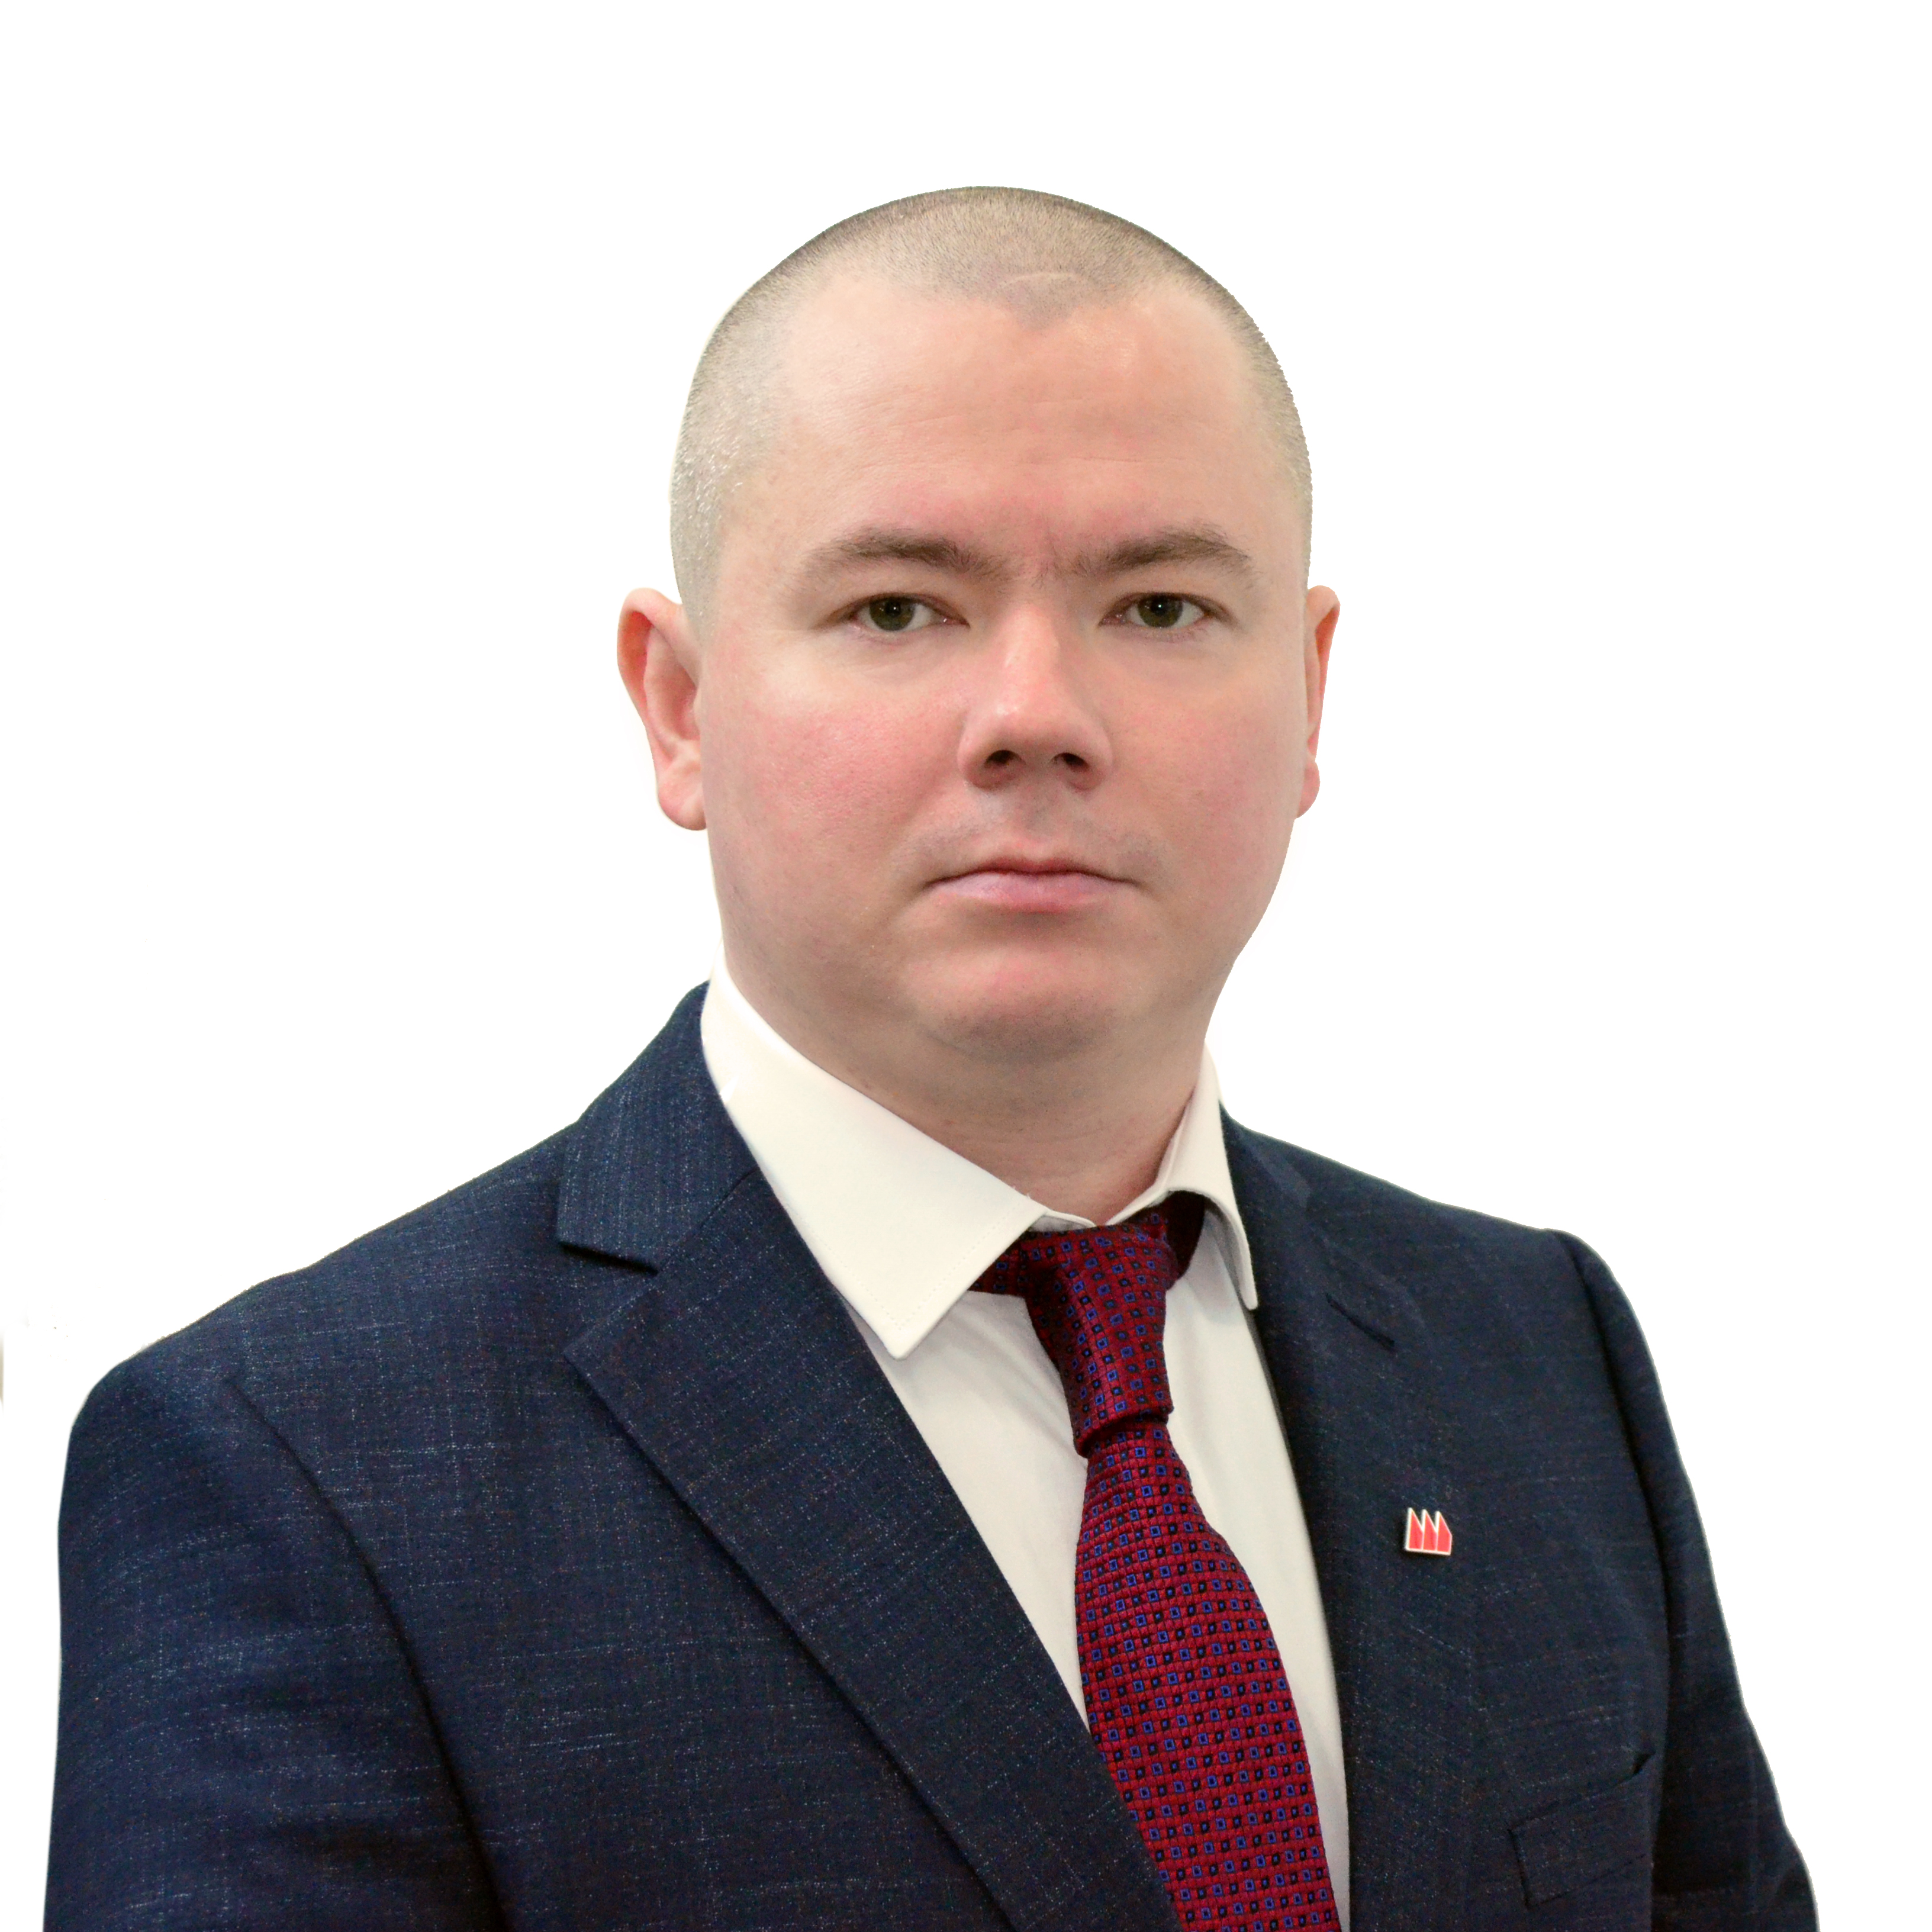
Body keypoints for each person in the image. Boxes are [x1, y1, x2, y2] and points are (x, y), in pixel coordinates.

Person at [46, 187, 1813, 1931]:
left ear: (1310, 692)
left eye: (1161, 608)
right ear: (679, 706)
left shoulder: (1536, 1353)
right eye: (899, 609)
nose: (1037, 715)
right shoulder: (300, 1467)